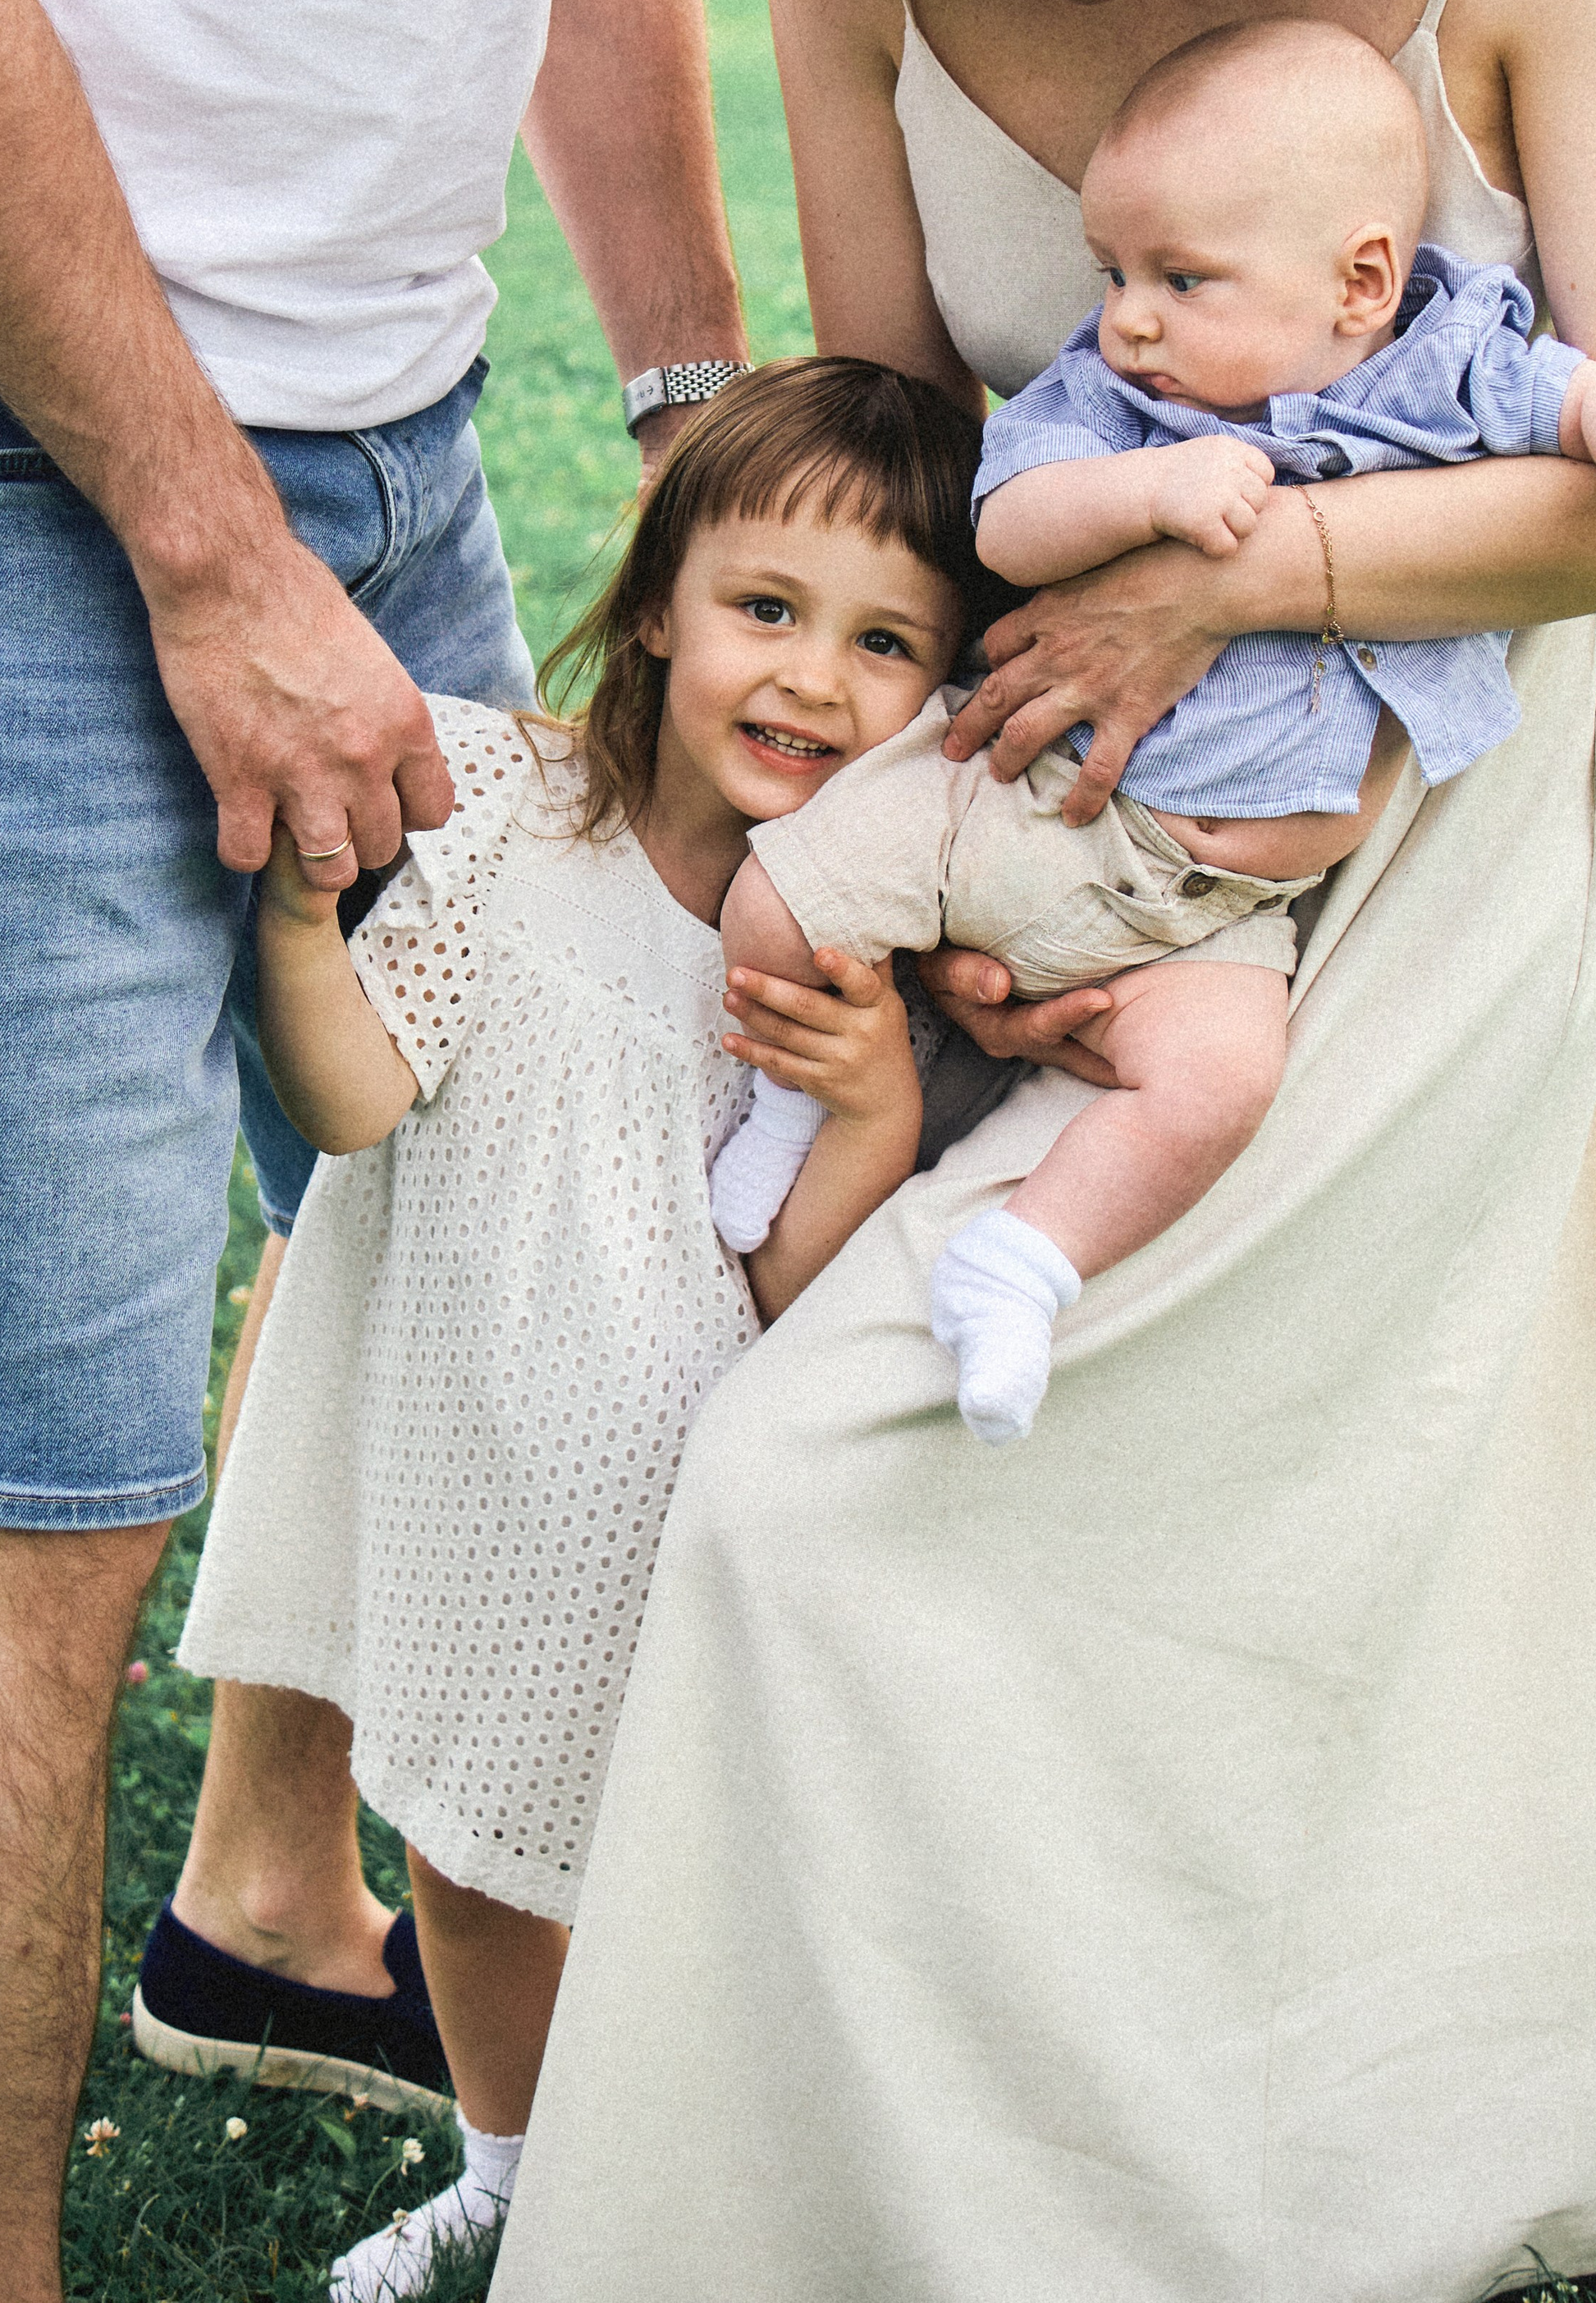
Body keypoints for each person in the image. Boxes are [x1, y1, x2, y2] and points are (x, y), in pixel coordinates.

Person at [492, 0, 1596, 2303]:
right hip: (1039, 827)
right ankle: (939, 2185)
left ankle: (1321, 2143)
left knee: (1110, 1516)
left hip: (1428, 849)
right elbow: (903, 424)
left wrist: (1244, 574)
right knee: (897, 1511)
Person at [0, 0, 748, 2293]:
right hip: (2, 464)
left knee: (515, 1281)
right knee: (42, 1494)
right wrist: (206, 554)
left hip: (405, 444)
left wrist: (710, 431)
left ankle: (268, 1884)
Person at [171, 359, 997, 2297]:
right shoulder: (517, 824)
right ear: (656, 605)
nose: (812, 677)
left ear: (946, 691)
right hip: (488, 1472)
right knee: (467, 1856)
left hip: (701, 1514)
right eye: (766, 610)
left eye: (887, 642)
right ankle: (505, 2168)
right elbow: (356, 1106)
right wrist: (303, 937)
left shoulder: (874, 948)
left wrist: (873, 1104)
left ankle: (690, 2187)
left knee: (692, 1875)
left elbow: (793, 1293)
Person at [711, 18, 1596, 1440]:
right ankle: (786, 1111)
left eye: (1179, 279)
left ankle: (1025, 1265)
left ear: (1360, 281)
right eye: (1114, 274)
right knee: (781, 900)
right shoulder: (1111, 403)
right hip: (1019, 800)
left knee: (1216, 1089)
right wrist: (1151, 500)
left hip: (1218, 912)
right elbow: (1010, 526)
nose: (1129, 317)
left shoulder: (1451, 369)